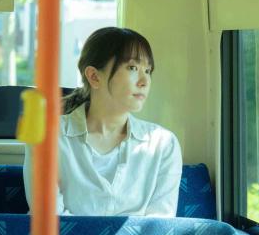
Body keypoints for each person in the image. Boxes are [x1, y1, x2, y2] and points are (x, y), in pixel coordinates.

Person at [23, 27, 182, 216]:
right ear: (94, 76)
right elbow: (51, 220)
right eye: (132, 68)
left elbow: (159, 226)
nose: (144, 81)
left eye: (148, 71)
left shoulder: (163, 144)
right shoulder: (47, 136)